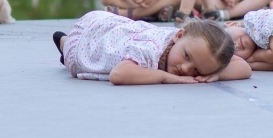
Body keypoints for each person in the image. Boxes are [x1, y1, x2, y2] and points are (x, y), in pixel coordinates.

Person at [50, 11, 251, 84]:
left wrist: (215, 75)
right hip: (93, 36)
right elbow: (119, 74)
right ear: (179, 35)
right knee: (72, 54)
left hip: (117, 32)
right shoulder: (150, 50)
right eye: (186, 56)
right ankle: (65, 43)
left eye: (197, 70)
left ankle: (64, 45)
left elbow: (244, 68)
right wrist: (168, 78)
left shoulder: (197, 48)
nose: (186, 69)